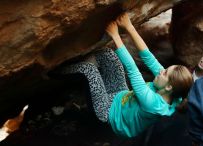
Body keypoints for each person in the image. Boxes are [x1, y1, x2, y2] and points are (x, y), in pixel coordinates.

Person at [60, 13, 193, 138]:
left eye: (165, 72)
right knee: (107, 54)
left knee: (88, 69)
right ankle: (75, 67)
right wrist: (129, 27)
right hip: (121, 97)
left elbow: (132, 70)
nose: (161, 71)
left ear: (169, 87)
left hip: (109, 113)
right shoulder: (174, 93)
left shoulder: (152, 103)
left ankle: (53, 73)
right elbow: (148, 57)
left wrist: (115, 36)